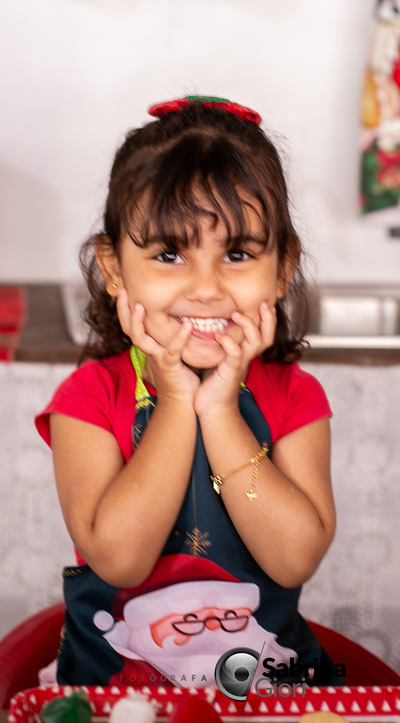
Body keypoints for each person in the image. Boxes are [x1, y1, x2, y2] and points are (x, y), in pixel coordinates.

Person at [35, 96, 337, 689]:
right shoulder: (87, 398)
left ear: (282, 268)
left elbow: (294, 557)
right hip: (117, 696)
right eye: (169, 254)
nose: (206, 288)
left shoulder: (296, 397)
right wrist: (176, 403)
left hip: (267, 691)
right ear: (115, 267)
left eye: (239, 254)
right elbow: (120, 560)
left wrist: (221, 411)